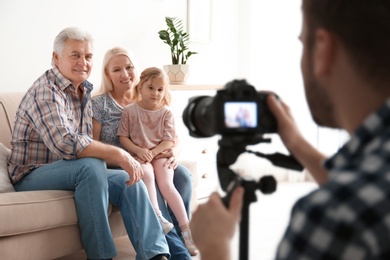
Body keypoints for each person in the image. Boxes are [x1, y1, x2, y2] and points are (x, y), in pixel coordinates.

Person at [189, 0, 390, 259]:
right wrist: (296, 143)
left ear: (322, 49)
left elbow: (350, 196)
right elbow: (361, 183)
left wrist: (215, 247)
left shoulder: (330, 216)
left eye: (302, 43)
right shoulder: (369, 177)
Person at [7, 27, 170, 260]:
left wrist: (130, 160)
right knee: (91, 166)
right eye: (75, 55)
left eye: (88, 56)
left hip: (67, 169)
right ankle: (101, 256)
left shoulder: (83, 91)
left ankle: (155, 254)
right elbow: (66, 143)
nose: (83, 62)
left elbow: (85, 143)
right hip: (32, 175)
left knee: (129, 178)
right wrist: (120, 155)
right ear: (56, 58)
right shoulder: (45, 92)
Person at [92, 47, 196, 259]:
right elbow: (93, 144)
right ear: (107, 73)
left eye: (129, 67)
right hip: (123, 164)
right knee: (150, 183)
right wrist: (129, 157)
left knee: (183, 175)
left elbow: (173, 137)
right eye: (117, 69)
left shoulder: (149, 95)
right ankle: (178, 252)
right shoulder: (99, 104)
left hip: (154, 157)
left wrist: (174, 152)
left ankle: (184, 232)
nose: (125, 74)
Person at [117, 67, 197, 255]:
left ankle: (186, 231)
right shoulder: (130, 111)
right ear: (140, 88)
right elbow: (123, 137)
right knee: (146, 175)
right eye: (151, 88)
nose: (155, 93)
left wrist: (153, 152)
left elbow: (169, 140)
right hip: (140, 156)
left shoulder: (166, 113)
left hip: (159, 155)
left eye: (160, 90)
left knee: (167, 185)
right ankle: (158, 217)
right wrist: (138, 151)